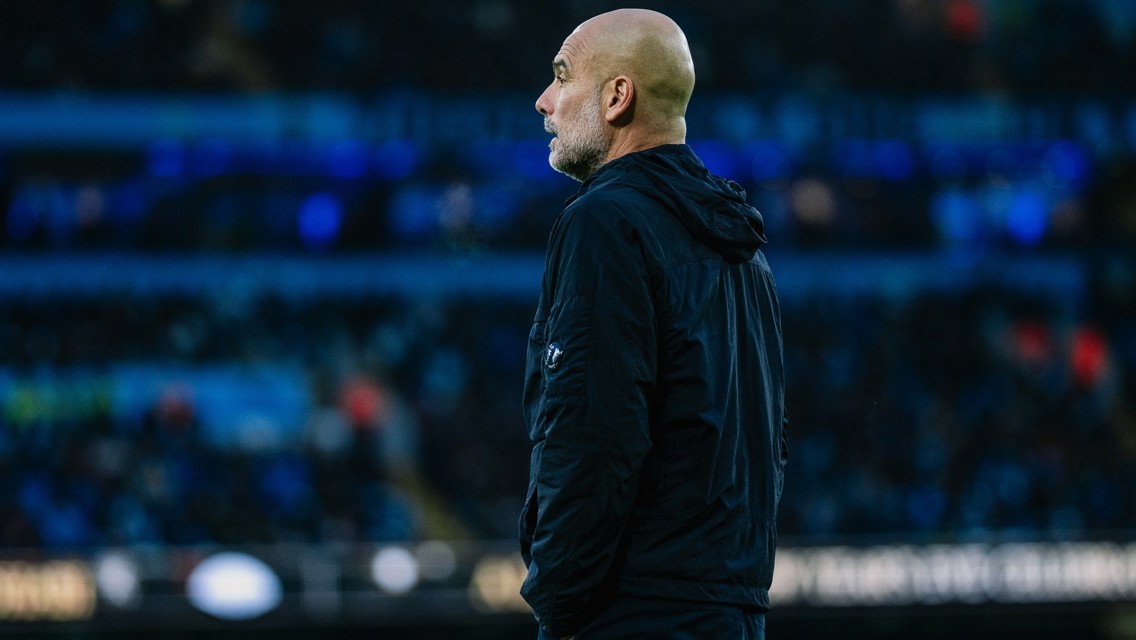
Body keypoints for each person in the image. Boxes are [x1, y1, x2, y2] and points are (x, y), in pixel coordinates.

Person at [519, 8, 788, 640]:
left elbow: (592, 433)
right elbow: (770, 447)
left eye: (562, 76)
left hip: (633, 610)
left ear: (617, 96)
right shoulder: (746, 253)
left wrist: (555, 599)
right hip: (732, 612)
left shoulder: (606, 222)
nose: (544, 101)